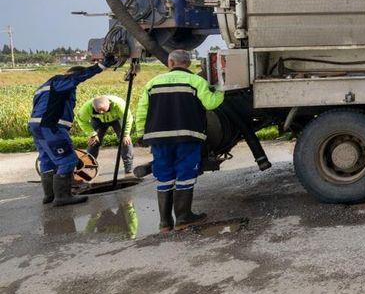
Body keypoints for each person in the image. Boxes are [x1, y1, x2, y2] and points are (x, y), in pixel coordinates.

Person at [135, 49, 224, 232]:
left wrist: (140, 133)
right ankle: (183, 217)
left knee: (164, 175)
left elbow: (142, 109)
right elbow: (211, 104)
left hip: (158, 138)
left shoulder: (153, 83)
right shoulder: (196, 81)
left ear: (170, 63)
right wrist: (221, 90)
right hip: (187, 136)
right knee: (185, 174)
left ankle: (164, 223)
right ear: (189, 64)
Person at [28, 56, 115, 206]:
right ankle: (62, 197)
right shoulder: (60, 81)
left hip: (36, 127)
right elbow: (79, 76)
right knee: (67, 160)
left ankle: (50, 196)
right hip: (52, 127)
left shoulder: (43, 86)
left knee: (47, 161)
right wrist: (102, 65)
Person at [76, 95, 134, 174]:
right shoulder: (86, 108)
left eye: (103, 110)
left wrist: (126, 134)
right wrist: (92, 133)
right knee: (93, 142)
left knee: (125, 140)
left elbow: (128, 118)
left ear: (109, 104)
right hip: (98, 120)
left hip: (116, 119)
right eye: (98, 110)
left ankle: (128, 165)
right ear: (93, 106)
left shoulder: (119, 104)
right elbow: (81, 121)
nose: (101, 112)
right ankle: (90, 165)